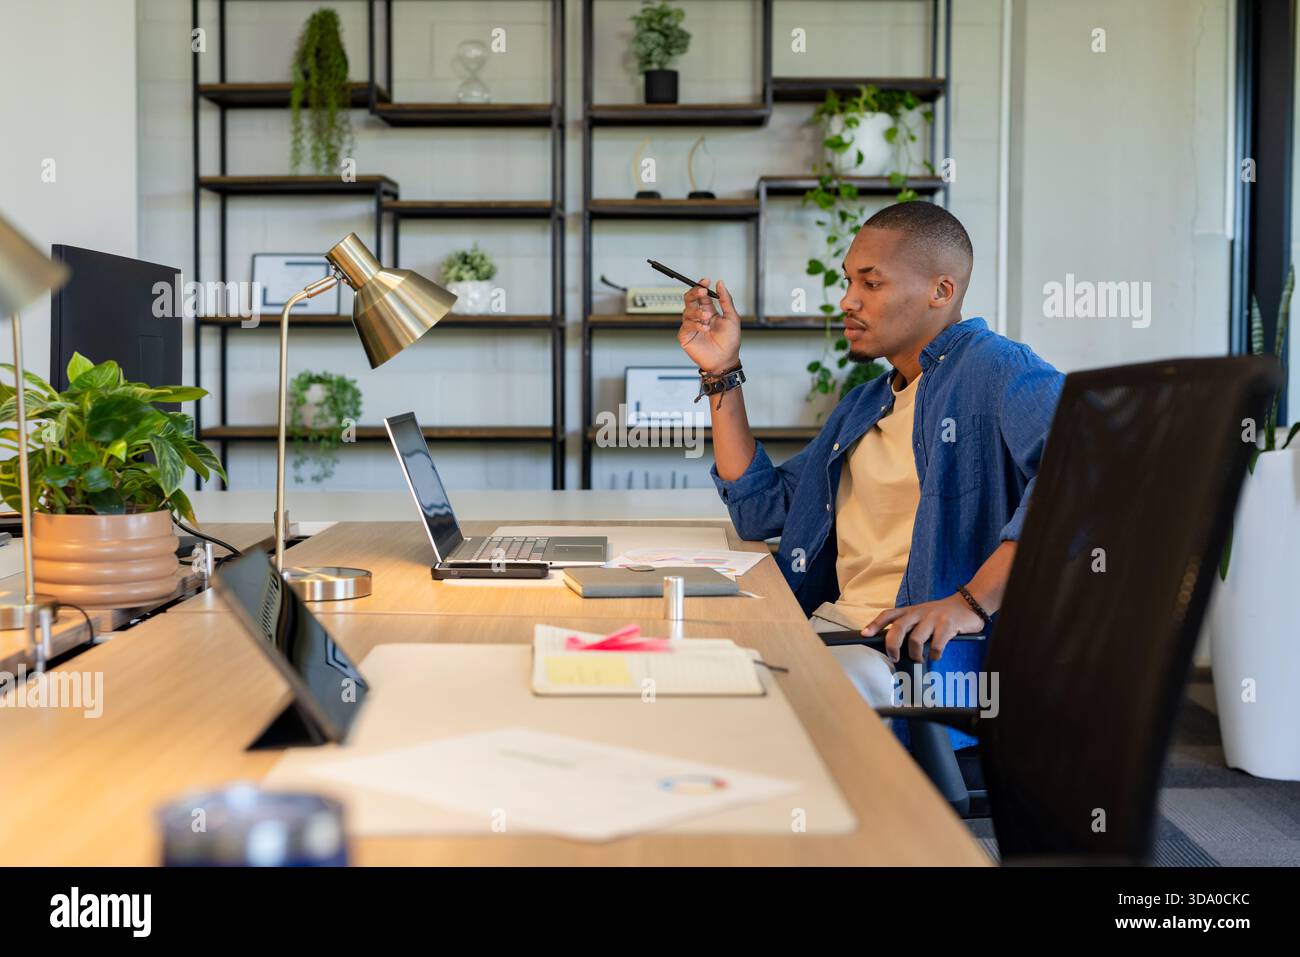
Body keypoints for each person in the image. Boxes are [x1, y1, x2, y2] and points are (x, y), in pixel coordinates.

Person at [676, 202, 1063, 747]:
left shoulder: (997, 369)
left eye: (872, 283)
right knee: (672, 681)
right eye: (848, 281)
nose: (848, 301)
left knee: (757, 727)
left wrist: (968, 603)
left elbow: (1086, 473)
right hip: (827, 633)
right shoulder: (865, 405)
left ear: (941, 291)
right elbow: (760, 507)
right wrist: (720, 373)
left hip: (906, 663)